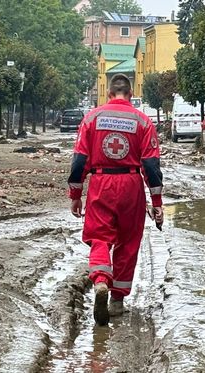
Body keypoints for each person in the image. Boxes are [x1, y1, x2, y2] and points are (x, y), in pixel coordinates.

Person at [68, 74, 164, 326]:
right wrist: (157, 203)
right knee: (128, 242)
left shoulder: (91, 118)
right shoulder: (142, 121)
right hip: (131, 185)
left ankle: (100, 279)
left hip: (101, 183)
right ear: (130, 94)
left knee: (100, 237)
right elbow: (151, 165)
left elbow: (79, 161)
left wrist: (75, 195)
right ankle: (117, 302)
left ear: (109, 94)